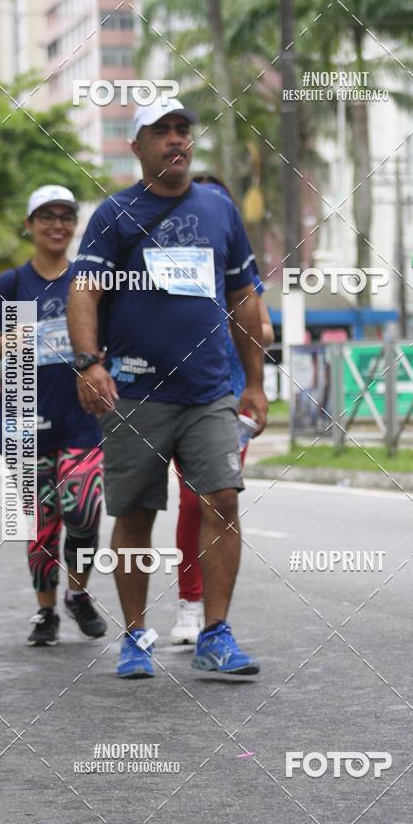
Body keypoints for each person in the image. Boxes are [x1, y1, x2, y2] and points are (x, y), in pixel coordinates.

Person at [68, 97, 268, 678]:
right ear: (137, 146)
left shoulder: (219, 209)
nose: (176, 140)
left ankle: (216, 632)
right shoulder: (114, 215)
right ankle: (135, 637)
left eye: (184, 130)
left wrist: (254, 382)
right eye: (162, 132)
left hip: (208, 392)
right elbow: (85, 293)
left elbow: (243, 299)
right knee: (134, 514)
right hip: (133, 393)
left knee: (223, 501)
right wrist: (88, 363)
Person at [0, 185, 107, 646]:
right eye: (46, 216)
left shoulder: (86, 282)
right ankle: (46, 612)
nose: (57, 225)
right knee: (44, 522)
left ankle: (79, 594)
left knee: (85, 510)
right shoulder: (12, 283)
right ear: (29, 225)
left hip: (83, 418)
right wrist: (26, 334)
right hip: (26, 417)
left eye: (66, 216)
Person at [171, 174, 274, 644]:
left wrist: (231, 310)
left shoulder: (239, 270)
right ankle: (188, 604)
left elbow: (266, 332)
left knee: (212, 498)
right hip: (172, 394)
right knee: (190, 501)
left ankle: (210, 618)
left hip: (229, 399)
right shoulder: (171, 261)